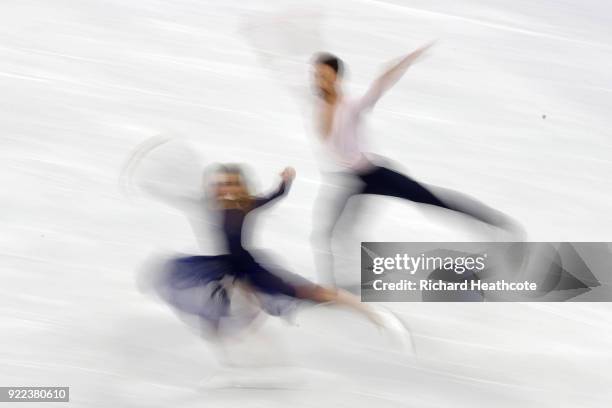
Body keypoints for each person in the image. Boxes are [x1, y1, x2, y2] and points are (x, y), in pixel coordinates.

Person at [310, 45, 524, 287]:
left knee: (432, 200)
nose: (319, 81)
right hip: (349, 182)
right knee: (329, 232)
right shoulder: (320, 106)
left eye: (324, 76)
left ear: (336, 78)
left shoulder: (349, 105)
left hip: (374, 174)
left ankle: (495, 225)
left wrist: (405, 62)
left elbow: (379, 84)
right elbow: (327, 139)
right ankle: (332, 286)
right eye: (316, 76)